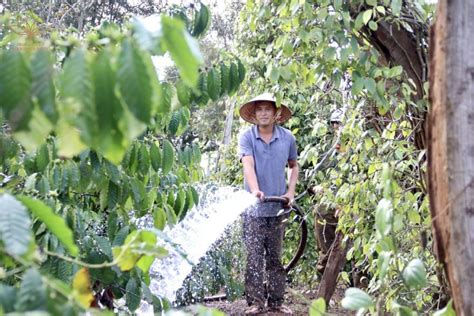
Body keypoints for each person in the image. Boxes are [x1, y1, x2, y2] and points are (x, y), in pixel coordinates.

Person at [238, 93, 299, 315]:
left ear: (276, 114)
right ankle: (255, 303)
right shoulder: (247, 137)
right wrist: (255, 190)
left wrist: (290, 192)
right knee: (254, 258)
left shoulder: (287, 138)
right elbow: (248, 165)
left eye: (268, 109)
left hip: (277, 209)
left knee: (275, 258)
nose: (263, 113)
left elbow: (294, 165)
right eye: (259, 109)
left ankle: (276, 301)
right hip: (252, 210)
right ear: (254, 115)